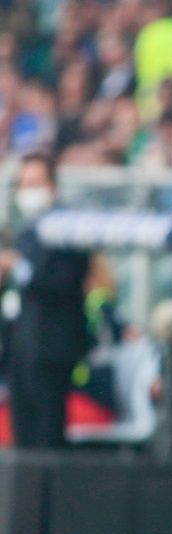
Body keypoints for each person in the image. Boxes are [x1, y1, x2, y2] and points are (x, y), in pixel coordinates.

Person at [0, 152, 91, 449]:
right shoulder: (27, 230)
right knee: (24, 432)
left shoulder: (68, 228)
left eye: (36, 182)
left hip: (52, 347)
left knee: (47, 434)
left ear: (52, 186)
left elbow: (65, 280)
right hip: (21, 348)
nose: (30, 190)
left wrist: (18, 267)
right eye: (25, 183)